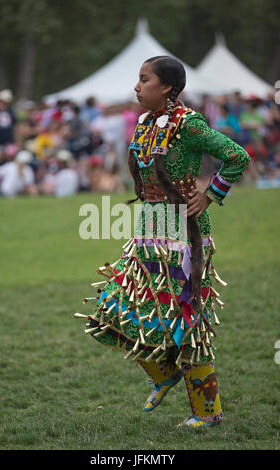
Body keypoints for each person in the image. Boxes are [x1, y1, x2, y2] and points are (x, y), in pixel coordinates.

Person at [78, 56, 250, 428]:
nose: (137, 87)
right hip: (149, 229)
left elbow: (237, 156)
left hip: (186, 236)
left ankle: (207, 411)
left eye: (145, 80)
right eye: (137, 80)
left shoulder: (188, 125)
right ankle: (164, 373)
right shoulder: (144, 123)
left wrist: (210, 193)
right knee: (112, 308)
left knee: (187, 320)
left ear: (167, 87)